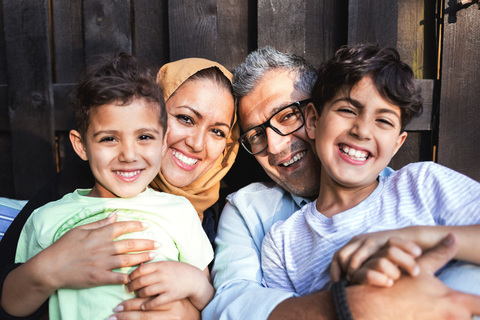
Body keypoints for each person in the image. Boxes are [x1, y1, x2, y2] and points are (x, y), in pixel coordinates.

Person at [203, 46, 480, 319]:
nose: (275, 146)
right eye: (256, 135)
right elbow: (232, 300)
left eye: (287, 116)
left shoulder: (420, 186)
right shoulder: (274, 233)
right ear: (317, 119)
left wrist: (416, 237)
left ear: (311, 115)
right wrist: (354, 302)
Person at [0, 57, 239, 320]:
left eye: (217, 131)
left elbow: (216, 302)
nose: (196, 143)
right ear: (82, 146)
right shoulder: (53, 210)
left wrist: (190, 310)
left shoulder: (196, 214)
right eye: (185, 118)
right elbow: (12, 300)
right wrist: (50, 269)